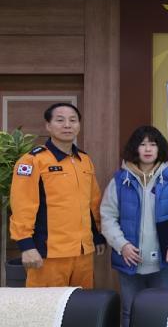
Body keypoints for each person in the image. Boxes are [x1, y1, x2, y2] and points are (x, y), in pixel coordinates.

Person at [100, 126, 168, 327]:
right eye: (142, 144)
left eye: (153, 144)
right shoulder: (120, 180)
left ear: (160, 149)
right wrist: (122, 245)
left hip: (164, 259)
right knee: (129, 311)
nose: (148, 149)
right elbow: (107, 216)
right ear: (135, 148)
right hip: (129, 259)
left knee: (160, 310)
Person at [10, 102, 105, 287]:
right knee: (46, 304)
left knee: (82, 303)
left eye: (73, 120)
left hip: (83, 253)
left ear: (79, 125)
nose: (67, 125)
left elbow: (92, 202)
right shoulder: (33, 160)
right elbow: (22, 205)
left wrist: (97, 235)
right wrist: (26, 245)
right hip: (48, 254)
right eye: (60, 120)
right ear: (48, 126)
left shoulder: (84, 160)